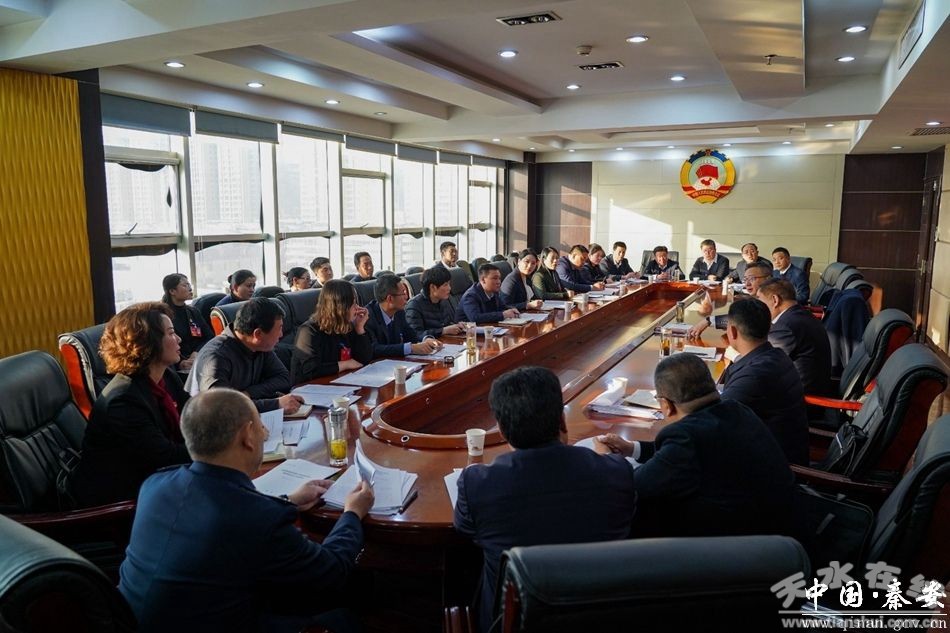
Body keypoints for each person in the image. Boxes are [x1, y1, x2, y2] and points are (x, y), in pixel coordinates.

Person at [118, 389, 375, 633]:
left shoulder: (154, 485)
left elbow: (219, 513)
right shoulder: (259, 518)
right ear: (247, 436)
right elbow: (331, 573)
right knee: (347, 612)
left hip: (130, 623)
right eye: (261, 426)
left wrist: (288, 500)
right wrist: (352, 513)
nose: (264, 433)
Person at [455, 367, 636, 633]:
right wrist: (604, 458)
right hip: (598, 618)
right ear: (561, 420)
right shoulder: (616, 472)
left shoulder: (477, 483)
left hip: (513, 623)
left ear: (502, 431)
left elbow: (465, 530)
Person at [598, 354, 802, 539]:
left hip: (748, 547)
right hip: (786, 526)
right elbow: (679, 455)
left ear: (666, 406)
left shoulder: (686, 438)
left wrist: (607, 459)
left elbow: (635, 487)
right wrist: (631, 448)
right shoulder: (736, 410)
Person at [73, 302, 191, 507]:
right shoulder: (123, 400)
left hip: (160, 482)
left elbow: (194, 415)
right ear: (148, 342)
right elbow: (165, 457)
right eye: (171, 333)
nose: (179, 339)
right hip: (121, 503)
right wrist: (222, 447)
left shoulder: (167, 377)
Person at [719, 298, 809, 465]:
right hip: (775, 451)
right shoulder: (776, 356)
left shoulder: (755, 375)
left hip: (769, 468)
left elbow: (712, 420)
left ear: (732, 331)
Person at [186, 298, 302, 414]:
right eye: (279, 328)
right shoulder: (215, 357)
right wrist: (275, 404)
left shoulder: (261, 346)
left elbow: (283, 378)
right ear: (258, 334)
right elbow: (221, 408)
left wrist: (249, 393)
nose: (281, 334)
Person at [758, 278, 832, 397]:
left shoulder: (786, 327)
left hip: (798, 400)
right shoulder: (801, 314)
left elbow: (763, 365)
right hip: (806, 388)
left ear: (775, 300)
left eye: (760, 302)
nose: (758, 308)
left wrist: (735, 355)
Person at [291, 279, 373, 382]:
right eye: (353, 303)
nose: (357, 308)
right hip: (312, 388)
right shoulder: (308, 331)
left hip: (341, 383)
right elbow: (310, 370)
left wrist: (359, 328)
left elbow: (364, 359)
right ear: (340, 306)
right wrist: (346, 364)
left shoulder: (347, 326)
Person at [686, 261, 774, 338]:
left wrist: (708, 321)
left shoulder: (772, 298)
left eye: (752, 278)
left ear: (768, 278)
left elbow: (747, 319)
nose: (747, 284)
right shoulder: (756, 297)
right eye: (745, 279)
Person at [364, 274, 441, 358]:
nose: (407, 297)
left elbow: (411, 335)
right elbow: (374, 349)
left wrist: (425, 339)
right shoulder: (367, 317)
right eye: (403, 293)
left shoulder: (399, 312)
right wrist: (410, 348)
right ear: (390, 298)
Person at [161, 273, 212, 372]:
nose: (190, 288)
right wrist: (180, 362)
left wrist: (197, 352)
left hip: (198, 359)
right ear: (172, 291)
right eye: (185, 285)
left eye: (189, 285)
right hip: (175, 365)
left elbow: (209, 336)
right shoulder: (163, 316)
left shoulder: (193, 311)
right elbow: (162, 346)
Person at [405, 265, 465, 338]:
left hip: (443, 342)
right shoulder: (414, 305)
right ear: (433, 287)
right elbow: (415, 335)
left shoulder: (442, 301)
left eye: (449, 284)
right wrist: (443, 331)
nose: (449, 288)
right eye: (445, 285)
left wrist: (457, 326)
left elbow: (445, 324)